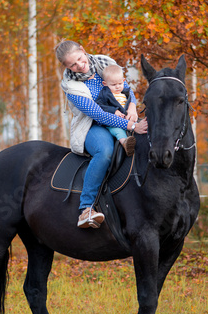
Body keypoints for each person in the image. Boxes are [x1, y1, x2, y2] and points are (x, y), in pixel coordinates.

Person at [55, 40, 148, 229]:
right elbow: (98, 114)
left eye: (80, 59)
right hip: (93, 126)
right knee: (105, 151)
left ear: (83, 50)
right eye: (72, 64)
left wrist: (132, 107)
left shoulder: (105, 63)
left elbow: (126, 88)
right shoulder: (71, 85)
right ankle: (86, 208)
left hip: (123, 117)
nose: (80, 66)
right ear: (66, 66)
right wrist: (131, 125)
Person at [95, 64, 137, 157]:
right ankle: (125, 143)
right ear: (105, 84)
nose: (117, 87)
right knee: (118, 131)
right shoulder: (105, 94)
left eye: (120, 83)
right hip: (113, 123)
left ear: (123, 81)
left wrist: (132, 112)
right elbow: (100, 106)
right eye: (113, 85)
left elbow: (131, 104)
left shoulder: (126, 93)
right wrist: (114, 111)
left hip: (127, 120)